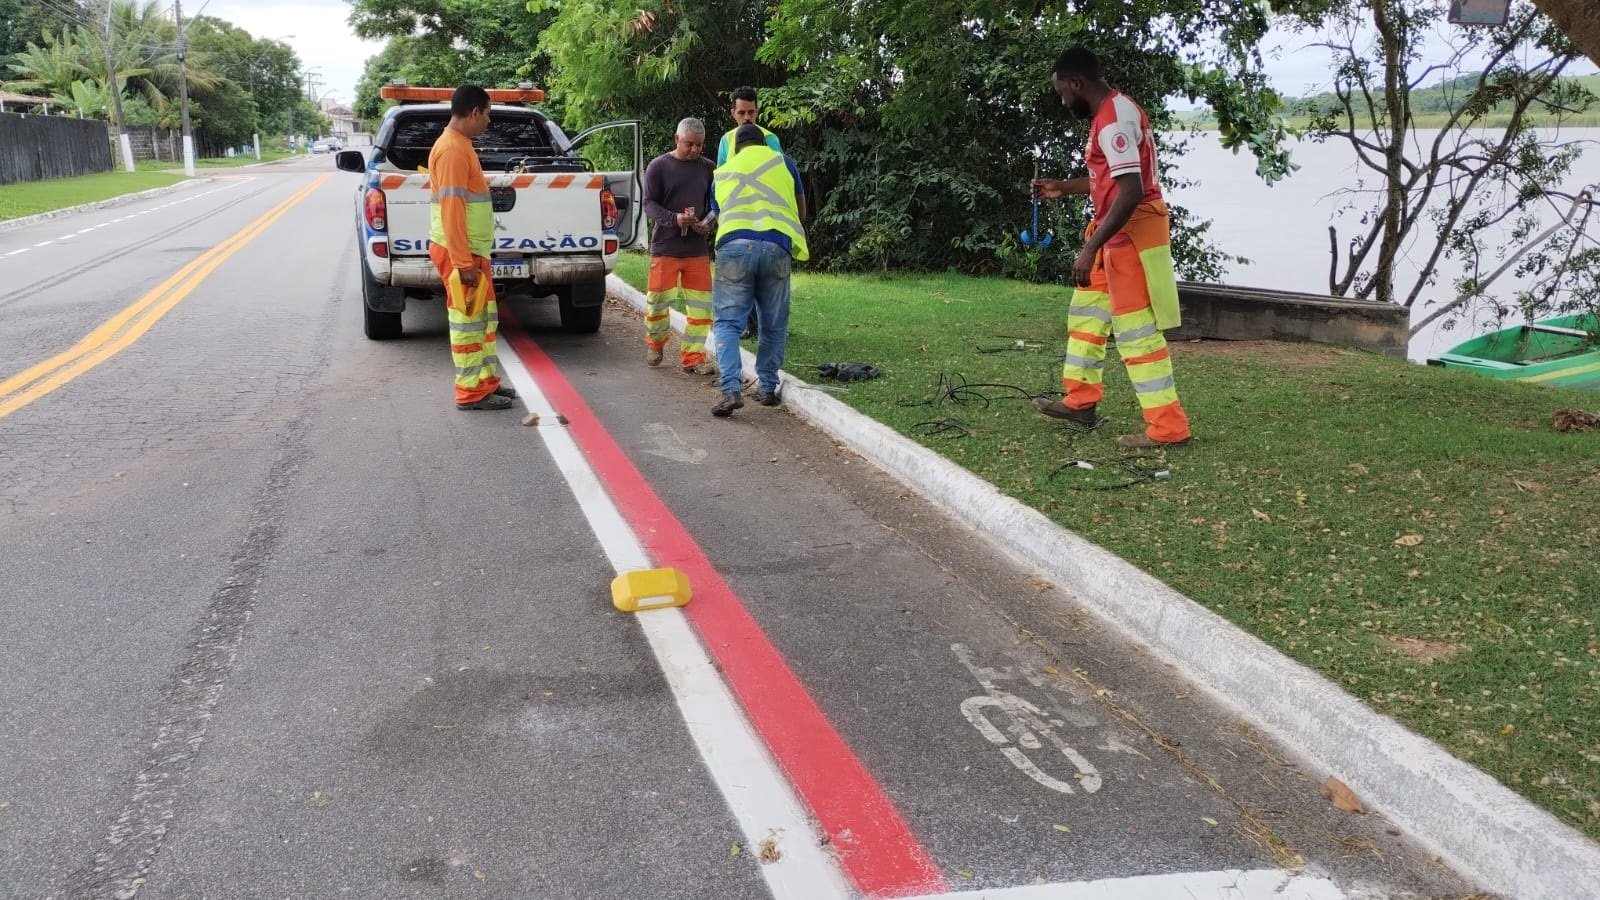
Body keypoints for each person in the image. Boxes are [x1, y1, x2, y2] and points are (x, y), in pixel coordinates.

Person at [1030, 47, 1191, 449]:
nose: (1063, 100)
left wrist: (1090, 248)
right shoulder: (1111, 113)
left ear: (1077, 83)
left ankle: (1168, 428)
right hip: (1110, 233)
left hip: (1129, 235)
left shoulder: (1113, 120)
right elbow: (1112, 180)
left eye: (1062, 92)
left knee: (1137, 333)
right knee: (1086, 318)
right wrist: (1064, 187)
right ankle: (1080, 402)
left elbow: (1132, 191)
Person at [707, 124, 808, 418]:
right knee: (773, 321)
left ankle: (730, 389)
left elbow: (719, 211)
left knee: (727, 322)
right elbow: (800, 209)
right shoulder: (784, 162)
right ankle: (767, 387)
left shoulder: (722, 171)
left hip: (734, 247)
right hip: (777, 245)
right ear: (765, 144)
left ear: (737, 148)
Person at [427, 84, 516, 411]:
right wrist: (463, 263)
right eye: (488, 114)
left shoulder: (459, 145)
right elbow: (452, 209)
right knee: (468, 322)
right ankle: (470, 393)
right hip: (461, 256)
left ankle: (485, 383)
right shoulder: (451, 149)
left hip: (472, 253)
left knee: (484, 319)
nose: (489, 121)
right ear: (475, 111)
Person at [640, 118, 717, 375]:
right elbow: (649, 203)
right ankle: (656, 343)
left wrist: (707, 223)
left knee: (702, 308)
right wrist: (674, 219)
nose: (694, 150)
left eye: (699, 145)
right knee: (658, 303)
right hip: (665, 247)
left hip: (696, 249)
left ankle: (693, 356)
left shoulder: (708, 168)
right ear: (676, 139)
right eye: (689, 144)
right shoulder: (658, 167)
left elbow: (715, 205)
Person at [716, 87, 786, 340]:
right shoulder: (726, 141)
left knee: (764, 279)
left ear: (758, 111)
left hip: (767, 217)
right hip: (738, 217)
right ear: (733, 113)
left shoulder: (771, 139)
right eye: (742, 112)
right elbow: (721, 180)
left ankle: (766, 325)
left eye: (751, 112)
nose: (747, 117)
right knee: (741, 278)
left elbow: (781, 177)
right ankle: (746, 323)